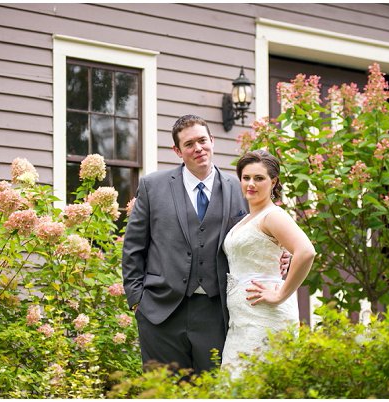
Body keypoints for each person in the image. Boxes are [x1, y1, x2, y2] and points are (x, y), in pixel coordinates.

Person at [122, 115, 287, 374]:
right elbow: (133, 248)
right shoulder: (153, 186)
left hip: (216, 311)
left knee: (211, 390)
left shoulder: (240, 188)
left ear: (212, 140)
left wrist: (282, 255)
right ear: (177, 151)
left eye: (202, 140)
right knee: (163, 392)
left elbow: (263, 229)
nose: (198, 148)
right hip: (160, 310)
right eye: (189, 144)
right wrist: (137, 300)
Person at [221, 150, 316, 376]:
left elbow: (306, 251)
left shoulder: (273, 215)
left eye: (259, 178)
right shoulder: (248, 218)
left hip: (266, 316)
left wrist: (281, 294)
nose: (251, 184)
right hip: (241, 321)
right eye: (246, 178)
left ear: (273, 182)